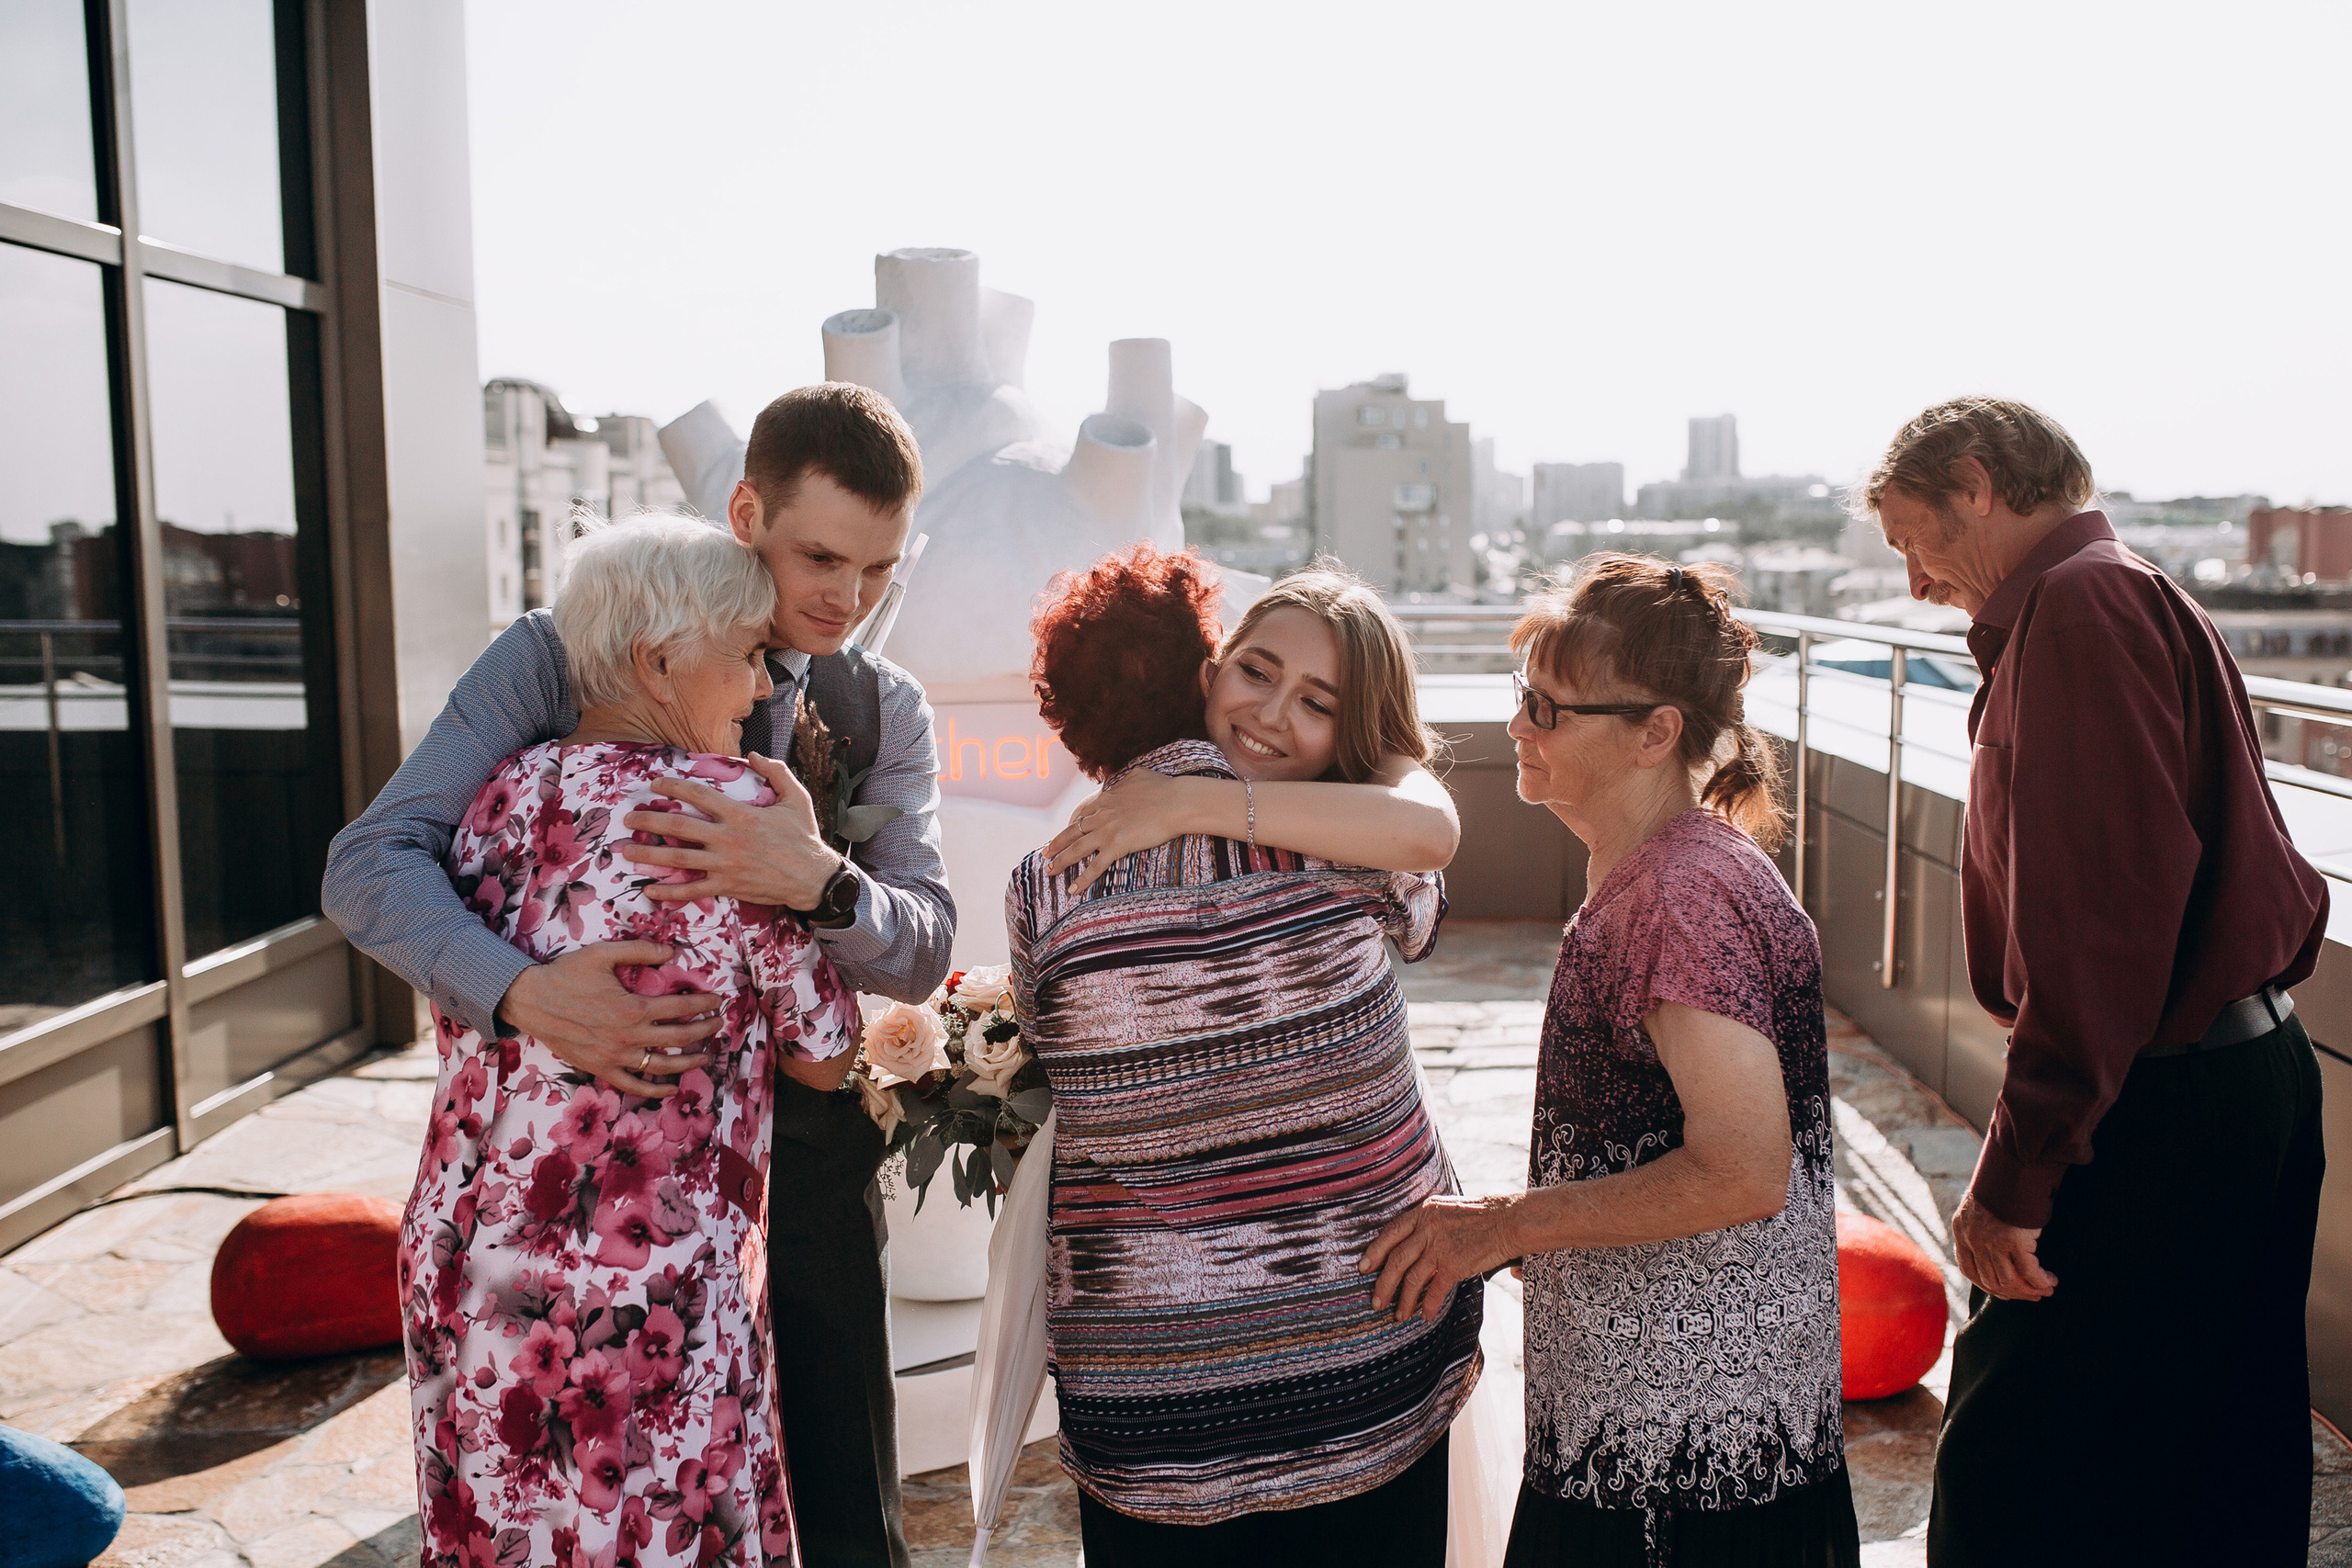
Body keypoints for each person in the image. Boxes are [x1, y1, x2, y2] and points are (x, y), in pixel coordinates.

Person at [326, 384, 950, 1568]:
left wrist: (816, 879)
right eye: (818, 555)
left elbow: (919, 942)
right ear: (744, 510)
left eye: (877, 570)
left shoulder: (886, 706)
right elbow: (369, 865)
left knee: (834, 1491)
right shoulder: (565, 650)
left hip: (800, 1170)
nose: (844, 600)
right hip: (576, 1170)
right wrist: (522, 989)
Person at [1857, 399, 2327, 1566]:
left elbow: (2099, 926)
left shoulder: (2078, 606)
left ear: (1976, 485)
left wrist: (2016, 1175)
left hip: (2160, 1103)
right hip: (2229, 1074)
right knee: (2214, 1448)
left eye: (1914, 542)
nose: (1915, 583)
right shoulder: (2128, 587)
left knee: (2018, 1463)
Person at [1363, 554, 1859, 1568]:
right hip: (1706, 1441)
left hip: (1675, 1472)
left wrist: (1498, 1227)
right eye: (1522, 697)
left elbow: (1742, 1168)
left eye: (1549, 709)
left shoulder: (1676, 897)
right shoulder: (1679, 865)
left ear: (1655, 732)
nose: (1516, 727)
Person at [399, 513, 864, 1564]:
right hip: (646, 1293)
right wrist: (807, 855)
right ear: (658, 659)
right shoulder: (726, 808)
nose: (761, 688)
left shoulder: (491, 798)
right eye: (746, 655)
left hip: (470, 1264)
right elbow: (827, 1052)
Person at [1006, 548, 1479, 1568]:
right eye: (1257, 671)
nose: (1270, 713)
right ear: (1206, 669)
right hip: (1362, 1360)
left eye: (1317, 702)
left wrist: (1193, 805)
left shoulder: (1043, 882)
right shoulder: (1362, 850)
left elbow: (1045, 1041)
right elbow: (1425, 822)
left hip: (1151, 1393)